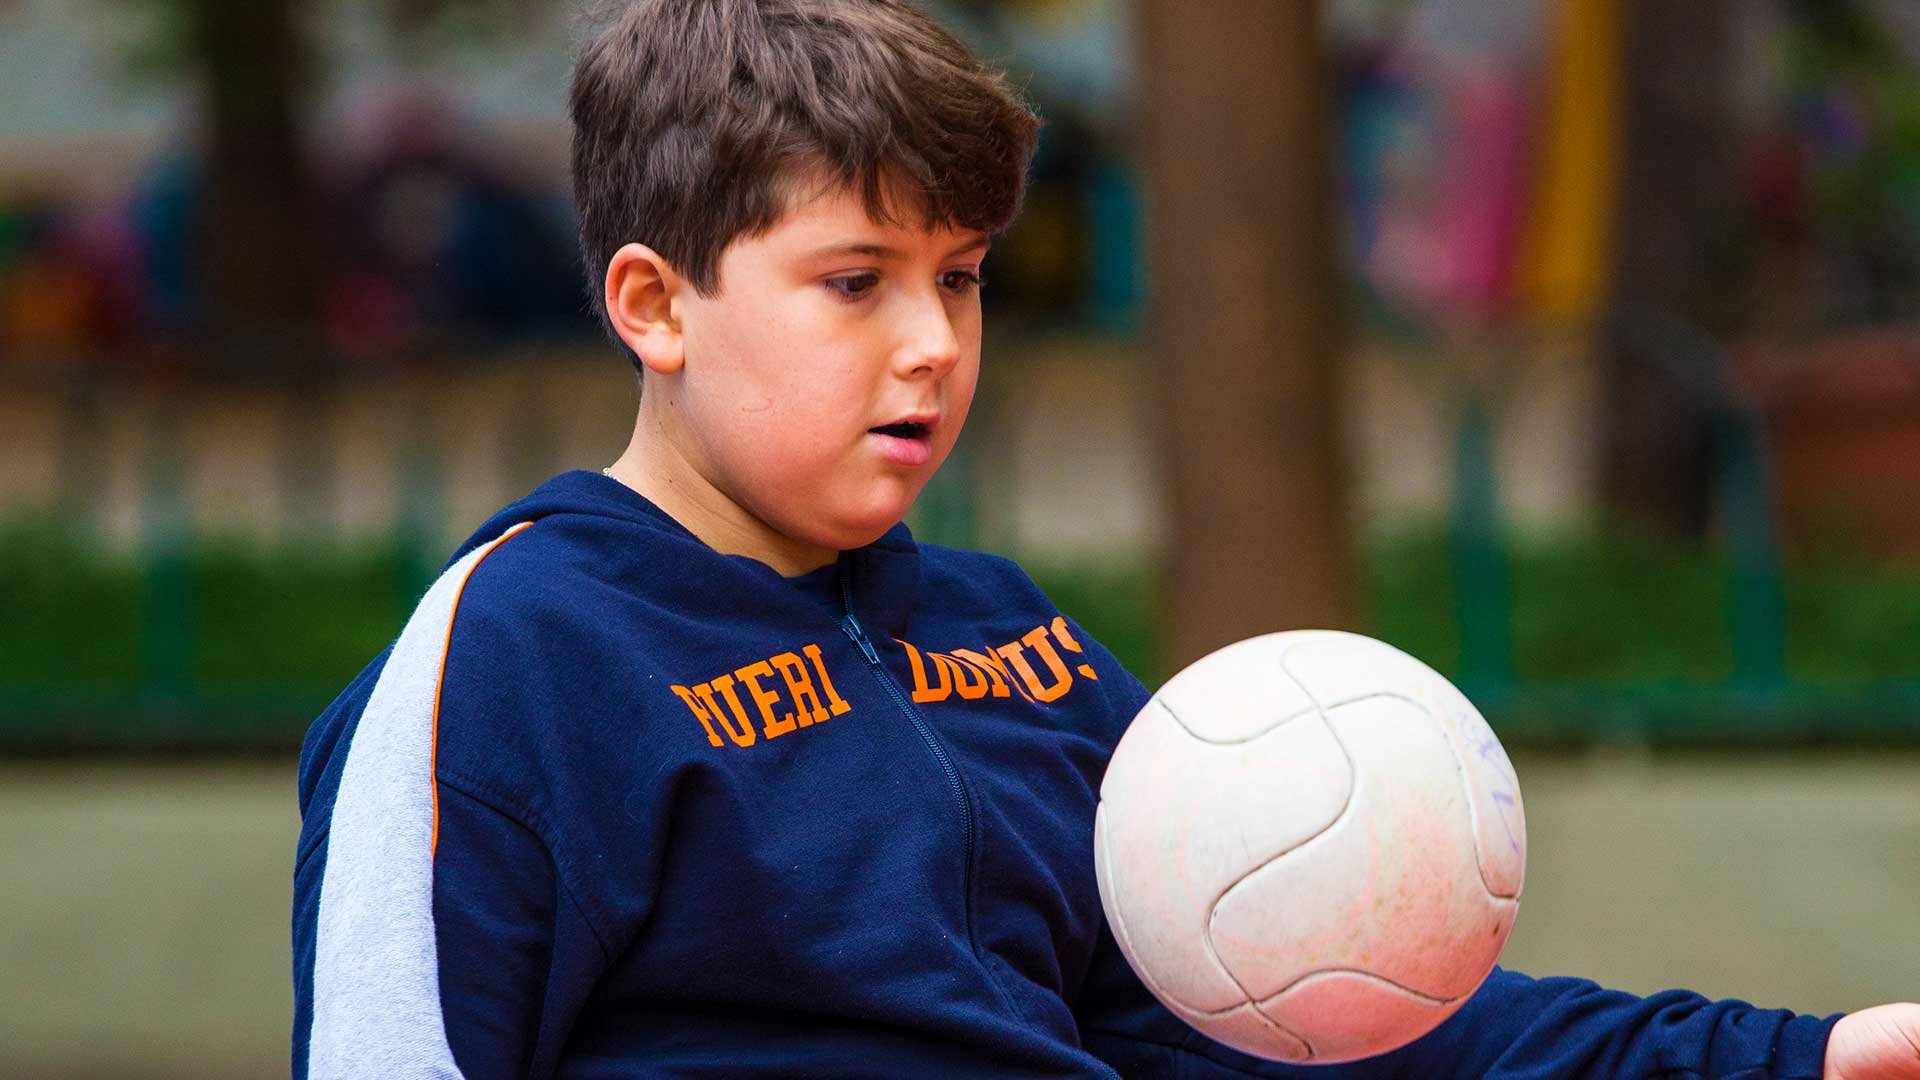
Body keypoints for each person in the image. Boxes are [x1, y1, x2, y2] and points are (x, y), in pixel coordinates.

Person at [290, 1, 1920, 1077]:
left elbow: (1313, 1020)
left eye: (964, 276)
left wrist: (1797, 1058)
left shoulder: (1008, 638)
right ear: (655, 304)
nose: (931, 341)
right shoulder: (511, 657)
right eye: (857, 282)